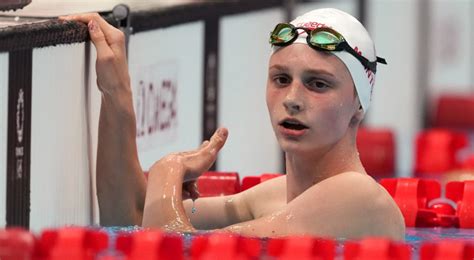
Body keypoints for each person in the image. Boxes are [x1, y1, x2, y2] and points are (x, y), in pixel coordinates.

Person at [60, 7, 405, 240]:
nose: (293, 98)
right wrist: (115, 92)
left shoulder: (359, 198)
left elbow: (177, 250)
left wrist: (169, 169)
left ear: (359, 103)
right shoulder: (276, 197)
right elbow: (130, 217)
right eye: (281, 79)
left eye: (318, 84)